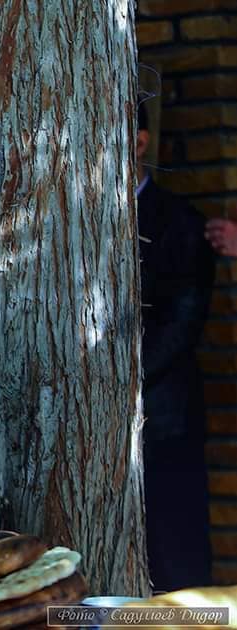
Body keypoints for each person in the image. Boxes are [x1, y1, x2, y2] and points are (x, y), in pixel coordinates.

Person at [135, 101, 215, 591]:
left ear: (141, 142)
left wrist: (123, 380)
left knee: (178, 562)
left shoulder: (180, 222)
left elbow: (181, 326)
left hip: (165, 419)